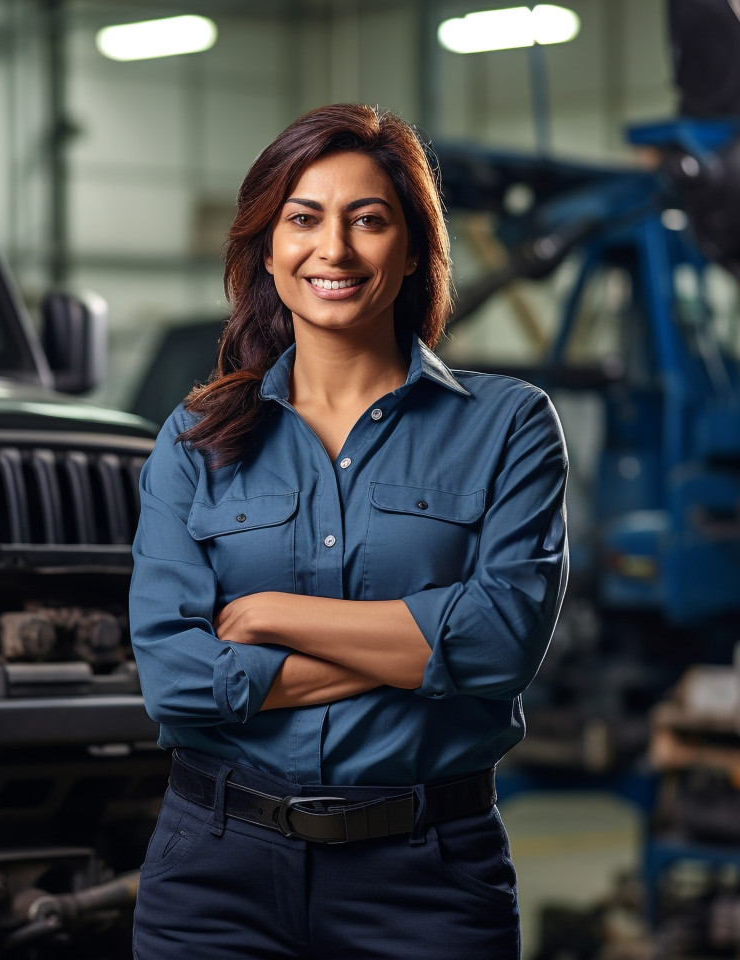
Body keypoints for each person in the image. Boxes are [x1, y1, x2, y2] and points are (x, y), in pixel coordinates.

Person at [128, 103, 568, 959]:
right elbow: (175, 681)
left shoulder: (509, 426)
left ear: (414, 250)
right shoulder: (194, 439)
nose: (333, 249)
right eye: (303, 219)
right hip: (215, 876)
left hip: (428, 881)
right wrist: (416, 656)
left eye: (368, 220)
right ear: (267, 249)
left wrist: (271, 616)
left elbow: (500, 645)